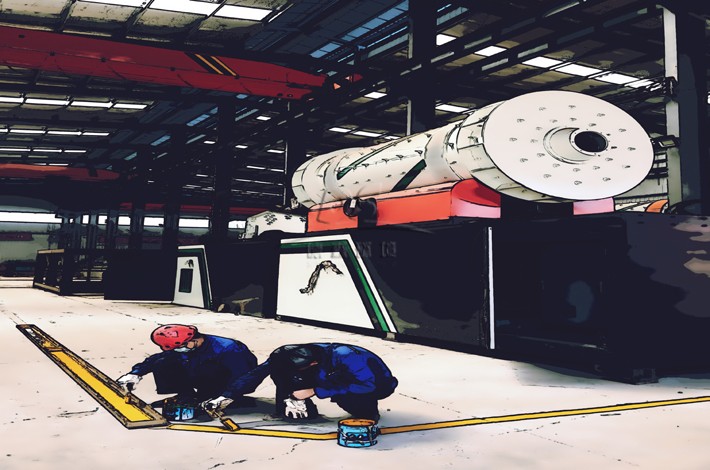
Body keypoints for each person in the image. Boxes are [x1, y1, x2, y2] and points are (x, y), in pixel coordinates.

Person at [203, 343, 397, 422]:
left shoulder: (347, 357)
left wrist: (316, 390)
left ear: (313, 363)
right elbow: (256, 374)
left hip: (376, 385)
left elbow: (367, 385)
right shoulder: (289, 354)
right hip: (328, 376)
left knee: (354, 402)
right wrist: (226, 396)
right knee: (281, 372)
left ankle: (368, 411)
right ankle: (292, 407)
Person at [116, 324, 258, 407]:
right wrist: (135, 374)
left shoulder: (228, 348)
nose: (180, 350)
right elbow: (156, 359)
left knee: (208, 368)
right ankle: (187, 396)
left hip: (231, 381)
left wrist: (228, 396)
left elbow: (244, 376)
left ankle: (213, 397)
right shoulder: (187, 347)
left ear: (194, 338)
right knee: (163, 363)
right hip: (201, 373)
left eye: (181, 346)